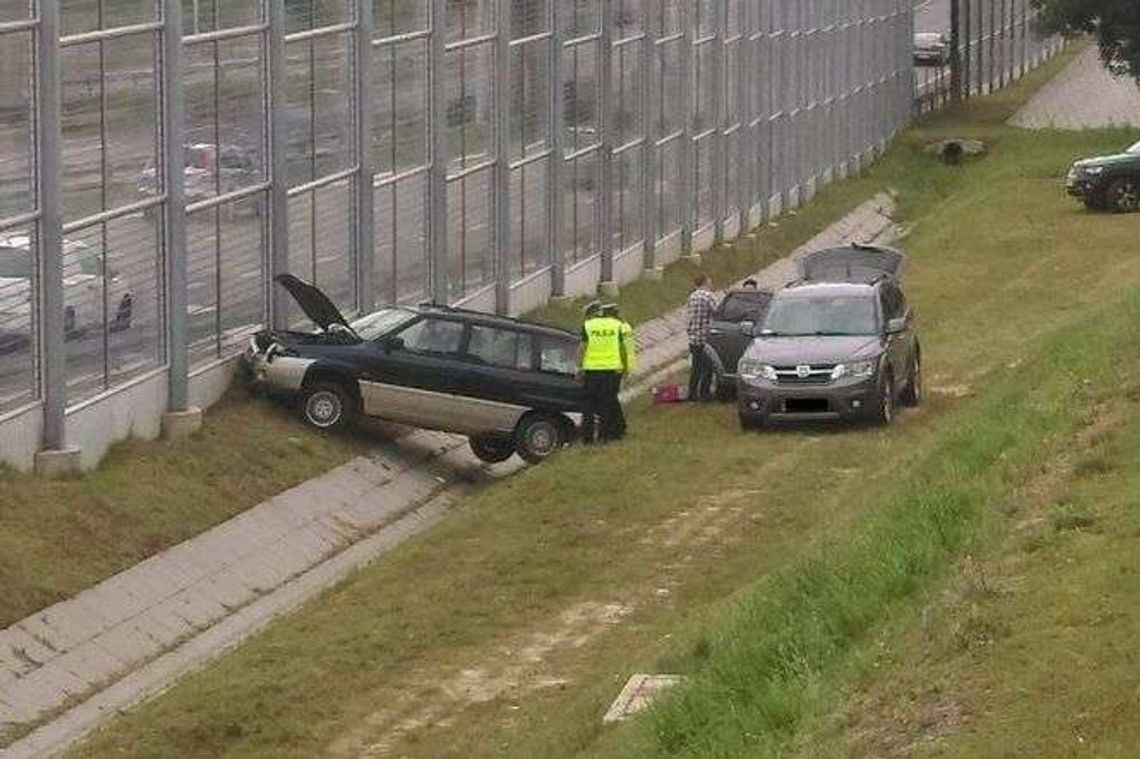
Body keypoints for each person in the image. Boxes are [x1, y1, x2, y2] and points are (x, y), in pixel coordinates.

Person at [577, 301, 636, 443]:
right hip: (611, 370)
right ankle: (606, 436)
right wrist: (626, 368)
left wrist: (579, 368)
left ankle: (587, 438)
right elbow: (623, 349)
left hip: (591, 370)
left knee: (588, 405)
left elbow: (582, 348)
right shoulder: (617, 326)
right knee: (607, 403)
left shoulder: (588, 326)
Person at [686, 274, 720, 402]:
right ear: (705, 282)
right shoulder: (708, 296)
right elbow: (717, 312)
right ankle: (704, 394)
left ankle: (692, 394)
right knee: (708, 367)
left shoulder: (692, 296)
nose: (711, 284)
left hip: (693, 338)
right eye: (710, 282)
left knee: (696, 368)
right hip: (705, 338)